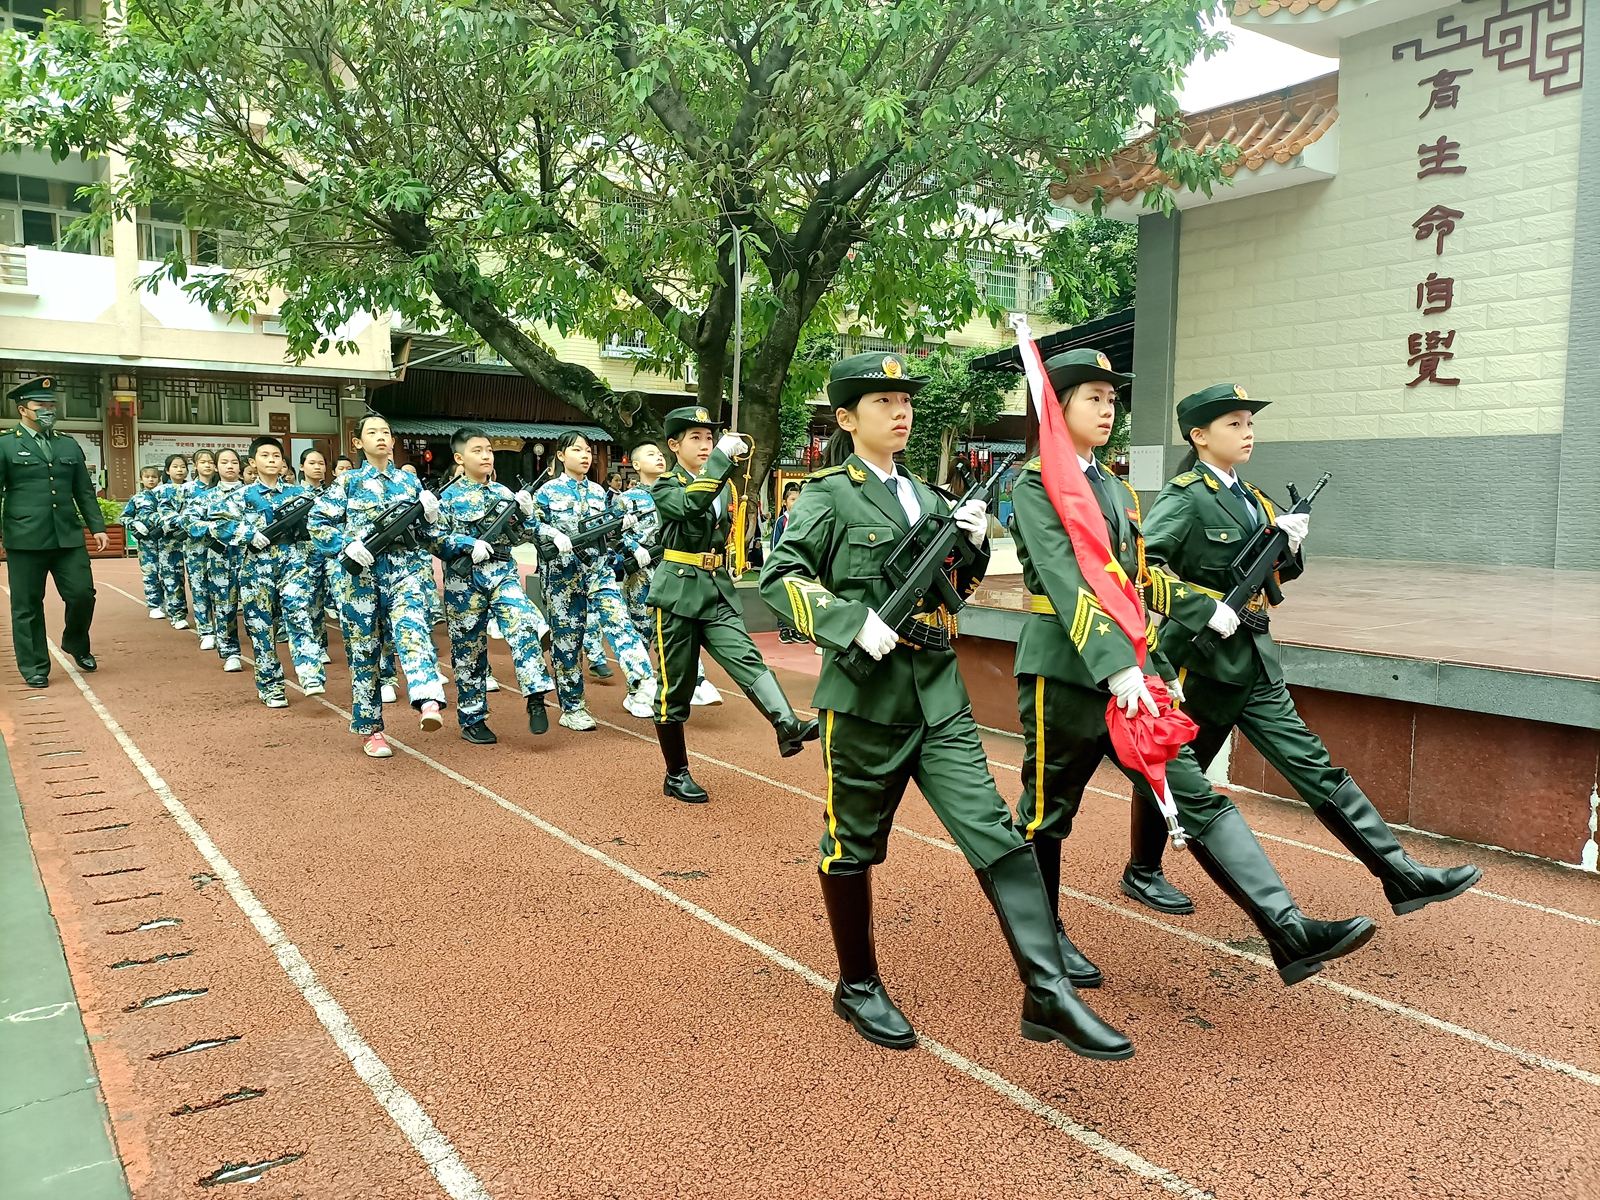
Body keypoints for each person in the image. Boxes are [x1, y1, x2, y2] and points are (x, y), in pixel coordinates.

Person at [759, 352, 1129, 1059]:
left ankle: (1046, 989)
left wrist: (967, 541)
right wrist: (847, 621)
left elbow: (955, 581)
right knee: (851, 845)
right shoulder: (827, 495)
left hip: (937, 690)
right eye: (882, 402)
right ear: (846, 418)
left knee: (997, 832)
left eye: (906, 401)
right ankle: (858, 983)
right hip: (865, 699)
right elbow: (781, 577)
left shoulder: (929, 497)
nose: (901, 412)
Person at [1009, 349, 1375, 988]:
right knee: (1048, 812)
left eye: (1110, 396)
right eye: (1091, 397)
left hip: (1132, 669)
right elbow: (1069, 582)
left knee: (1192, 790)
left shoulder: (1118, 490)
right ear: (1056, 407)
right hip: (1064, 673)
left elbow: (1138, 579)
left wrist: (1176, 635)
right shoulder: (1037, 483)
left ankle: (1285, 927)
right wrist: (1118, 666)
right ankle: (1044, 937)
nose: (1107, 407)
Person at [1133, 383, 1482, 917]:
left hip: (1254, 659)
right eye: (1234, 424)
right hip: (1200, 662)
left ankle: (1400, 874)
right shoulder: (1185, 497)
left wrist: (1290, 545)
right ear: (1199, 436)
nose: (1247, 432)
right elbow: (1141, 569)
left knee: (1312, 764)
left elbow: (1274, 571)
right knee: (1177, 768)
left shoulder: (1253, 497)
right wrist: (1206, 608)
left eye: (1250, 423)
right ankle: (1143, 870)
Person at [648, 407, 817, 802]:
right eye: (696, 439)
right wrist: (722, 459)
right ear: (674, 446)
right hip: (678, 595)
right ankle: (676, 773)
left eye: (710, 439)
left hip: (717, 589)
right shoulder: (665, 485)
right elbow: (690, 506)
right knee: (676, 686)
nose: (706, 445)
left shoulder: (723, 484)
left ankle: (787, 724)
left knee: (747, 658)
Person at [309, 414, 448, 758]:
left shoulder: (410, 484)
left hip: (404, 570)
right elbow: (317, 521)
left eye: (386, 432)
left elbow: (430, 536)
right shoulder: (348, 483)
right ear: (358, 443)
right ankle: (372, 730)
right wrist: (344, 544)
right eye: (372, 433)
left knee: (414, 629)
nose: (381, 437)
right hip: (360, 577)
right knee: (364, 652)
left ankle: (428, 698)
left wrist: (432, 516)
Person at [432, 426, 555, 743]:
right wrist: (464, 543)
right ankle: (473, 719)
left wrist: (528, 514)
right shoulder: (446, 498)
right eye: (477, 450)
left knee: (522, 623)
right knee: (468, 650)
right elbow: (435, 540)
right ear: (460, 458)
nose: (486, 455)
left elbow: (527, 536)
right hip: (464, 579)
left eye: (488, 449)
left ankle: (536, 694)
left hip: (502, 572)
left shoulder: (504, 495)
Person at [532, 432, 654, 731]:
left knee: (619, 621)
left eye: (588, 450)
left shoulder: (601, 494)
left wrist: (629, 541)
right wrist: (551, 534)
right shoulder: (546, 493)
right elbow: (531, 526)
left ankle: (643, 679)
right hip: (562, 577)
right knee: (568, 643)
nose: (584, 455)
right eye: (576, 450)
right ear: (561, 455)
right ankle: (572, 707)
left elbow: (610, 531)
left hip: (598, 571)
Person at [0, 378, 106, 686]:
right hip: (25, 536)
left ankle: (76, 643)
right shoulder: (6, 444)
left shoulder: (67, 443)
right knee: (27, 606)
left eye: (51, 405)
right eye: (40, 406)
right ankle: (34, 667)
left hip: (67, 536)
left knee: (82, 594)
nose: (48, 410)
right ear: (23, 409)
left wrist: (97, 527)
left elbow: (83, 491)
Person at [212, 437, 325, 706]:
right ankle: (271, 685)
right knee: (261, 626)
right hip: (256, 566)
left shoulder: (298, 494)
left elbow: (319, 523)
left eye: (276, 456)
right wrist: (248, 534)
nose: (271, 460)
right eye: (265, 455)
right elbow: (218, 526)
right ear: (252, 462)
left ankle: (310, 671)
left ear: (284, 464)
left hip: (293, 562)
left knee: (298, 612)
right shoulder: (241, 496)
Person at [618, 440, 720, 713]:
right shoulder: (627, 499)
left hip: (673, 571)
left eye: (661, 454)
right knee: (641, 630)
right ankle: (637, 690)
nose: (659, 458)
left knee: (682, 626)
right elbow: (613, 534)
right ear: (636, 464)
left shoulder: (678, 489)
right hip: (641, 574)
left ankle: (694, 681)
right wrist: (634, 548)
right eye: (651, 454)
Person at [190, 448, 248, 672]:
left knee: (257, 608)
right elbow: (189, 522)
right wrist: (214, 529)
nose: (230, 466)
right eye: (224, 462)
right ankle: (230, 652)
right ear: (216, 467)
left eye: (234, 462)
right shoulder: (208, 497)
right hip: (220, 559)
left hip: (251, 558)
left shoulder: (250, 493)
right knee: (225, 607)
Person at [174, 449, 218, 648]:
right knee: (199, 585)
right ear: (195, 466)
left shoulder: (224, 488)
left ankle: (224, 628)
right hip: (195, 546)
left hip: (221, 546)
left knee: (222, 587)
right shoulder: (186, 489)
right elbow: (171, 514)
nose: (207, 465)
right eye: (203, 462)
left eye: (211, 462)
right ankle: (206, 630)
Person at [298, 447, 334, 666]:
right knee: (311, 601)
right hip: (305, 555)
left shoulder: (333, 494)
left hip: (330, 554)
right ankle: (315, 646)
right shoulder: (294, 495)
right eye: (312, 463)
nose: (318, 467)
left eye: (321, 463)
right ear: (302, 466)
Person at [123, 466, 171, 620]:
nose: (151, 480)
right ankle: (154, 605)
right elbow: (124, 517)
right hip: (146, 543)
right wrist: (135, 524)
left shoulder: (166, 496)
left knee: (169, 574)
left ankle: (171, 604)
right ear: (141, 479)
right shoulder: (137, 499)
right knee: (150, 574)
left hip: (166, 542)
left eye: (154, 477)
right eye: (147, 477)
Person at [150, 455, 191, 630]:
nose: (180, 470)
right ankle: (177, 614)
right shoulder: (159, 491)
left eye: (183, 466)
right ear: (167, 470)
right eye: (175, 466)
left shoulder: (193, 489)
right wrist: (164, 522)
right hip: (169, 542)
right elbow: (148, 513)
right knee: (172, 578)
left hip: (192, 540)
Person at [771, 483, 801, 643]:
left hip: (798, 565)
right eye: (792, 499)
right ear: (785, 502)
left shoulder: (804, 520)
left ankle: (797, 629)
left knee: (797, 598)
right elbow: (774, 545)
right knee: (783, 598)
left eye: (798, 499)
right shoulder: (781, 522)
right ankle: (784, 629)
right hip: (783, 565)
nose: (795, 503)